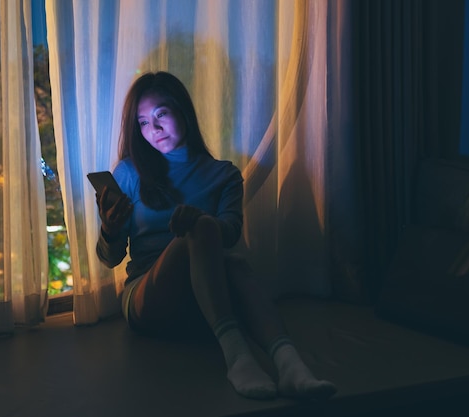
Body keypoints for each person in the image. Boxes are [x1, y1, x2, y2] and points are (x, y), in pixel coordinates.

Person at [95, 71, 336, 401]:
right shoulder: (130, 172)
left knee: (230, 260)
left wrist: (202, 224)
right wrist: (109, 229)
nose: (154, 129)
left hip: (207, 295)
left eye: (161, 114)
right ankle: (238, 356)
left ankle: (290, 364)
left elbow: (231, 232)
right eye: (143, 123)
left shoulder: (224, 174)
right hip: (148, 294)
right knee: (200, 237)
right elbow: (110, 259)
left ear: (183, 111)